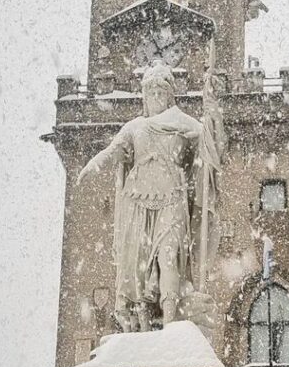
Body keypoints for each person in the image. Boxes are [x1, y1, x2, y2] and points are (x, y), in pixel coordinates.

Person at [77, 64, 202, 331]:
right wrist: (90, 166)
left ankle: (170, 324)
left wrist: (213, 120)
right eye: (150, 92)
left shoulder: (185, 123)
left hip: (172, 199)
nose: (155, 96)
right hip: (138, 202)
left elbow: (213, 148)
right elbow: (112, 151)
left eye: (160, 91)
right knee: (139, 268)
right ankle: (142, 327)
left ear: (170, 95)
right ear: (143, 96)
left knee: (169, 257)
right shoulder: (135, 127)